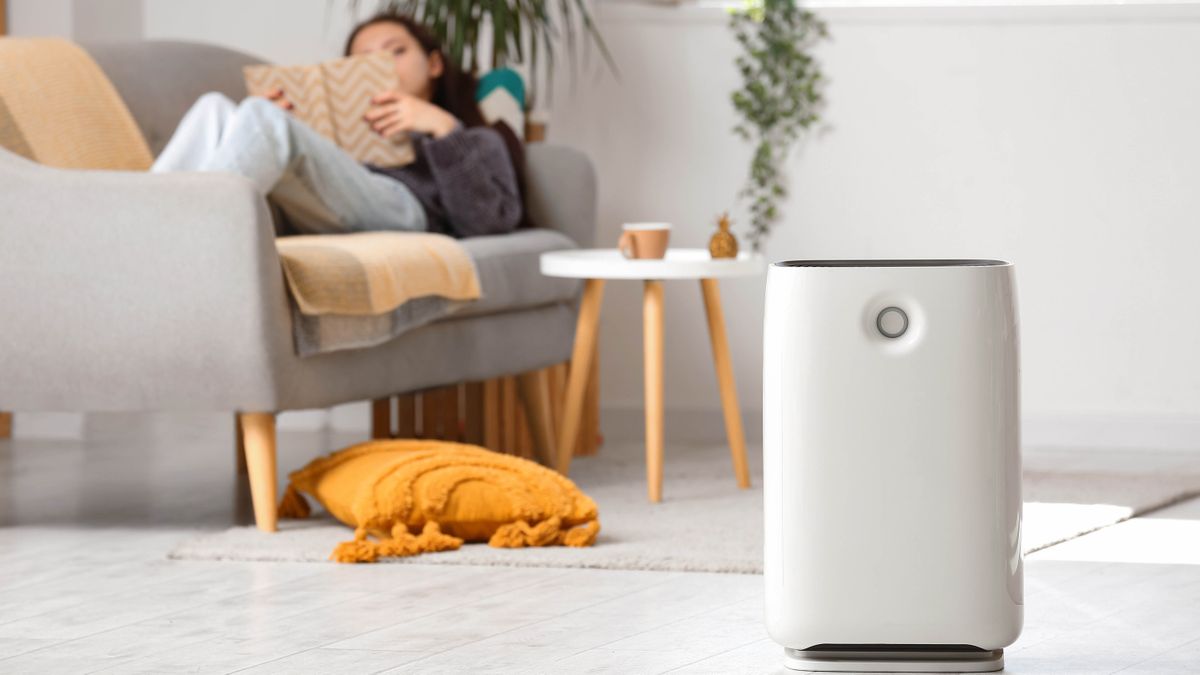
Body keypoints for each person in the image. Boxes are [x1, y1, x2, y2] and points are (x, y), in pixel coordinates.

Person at [151, 12, 525, 238]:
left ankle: (187, 239)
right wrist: (268, 130)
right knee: (215, 108)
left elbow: (488, 224)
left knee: (262, 117)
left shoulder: (476, 138)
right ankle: (140, 219)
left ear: (434, 64)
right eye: (364, 60)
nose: (384, 64)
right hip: (335, 192)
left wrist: (443, 128)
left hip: (408, 211)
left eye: (396, 51)